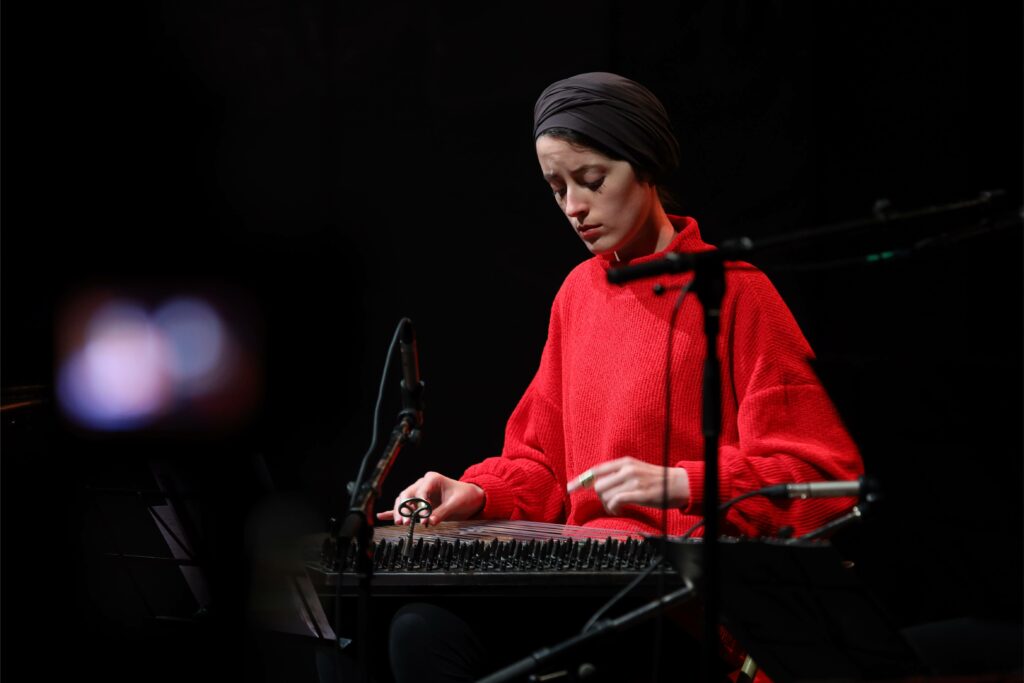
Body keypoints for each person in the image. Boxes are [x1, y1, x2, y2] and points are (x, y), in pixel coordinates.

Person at [378, 71, 864, 683]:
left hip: (681, 605)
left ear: (647, 165)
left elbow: (824, 480)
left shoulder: (737, 294)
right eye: (556, 189)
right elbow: (543, 464)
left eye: (592, 180)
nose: (574, 208)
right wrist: (478, 493)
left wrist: (682, 484)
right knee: (422, 630)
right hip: (588, 586)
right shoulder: (578, 296)